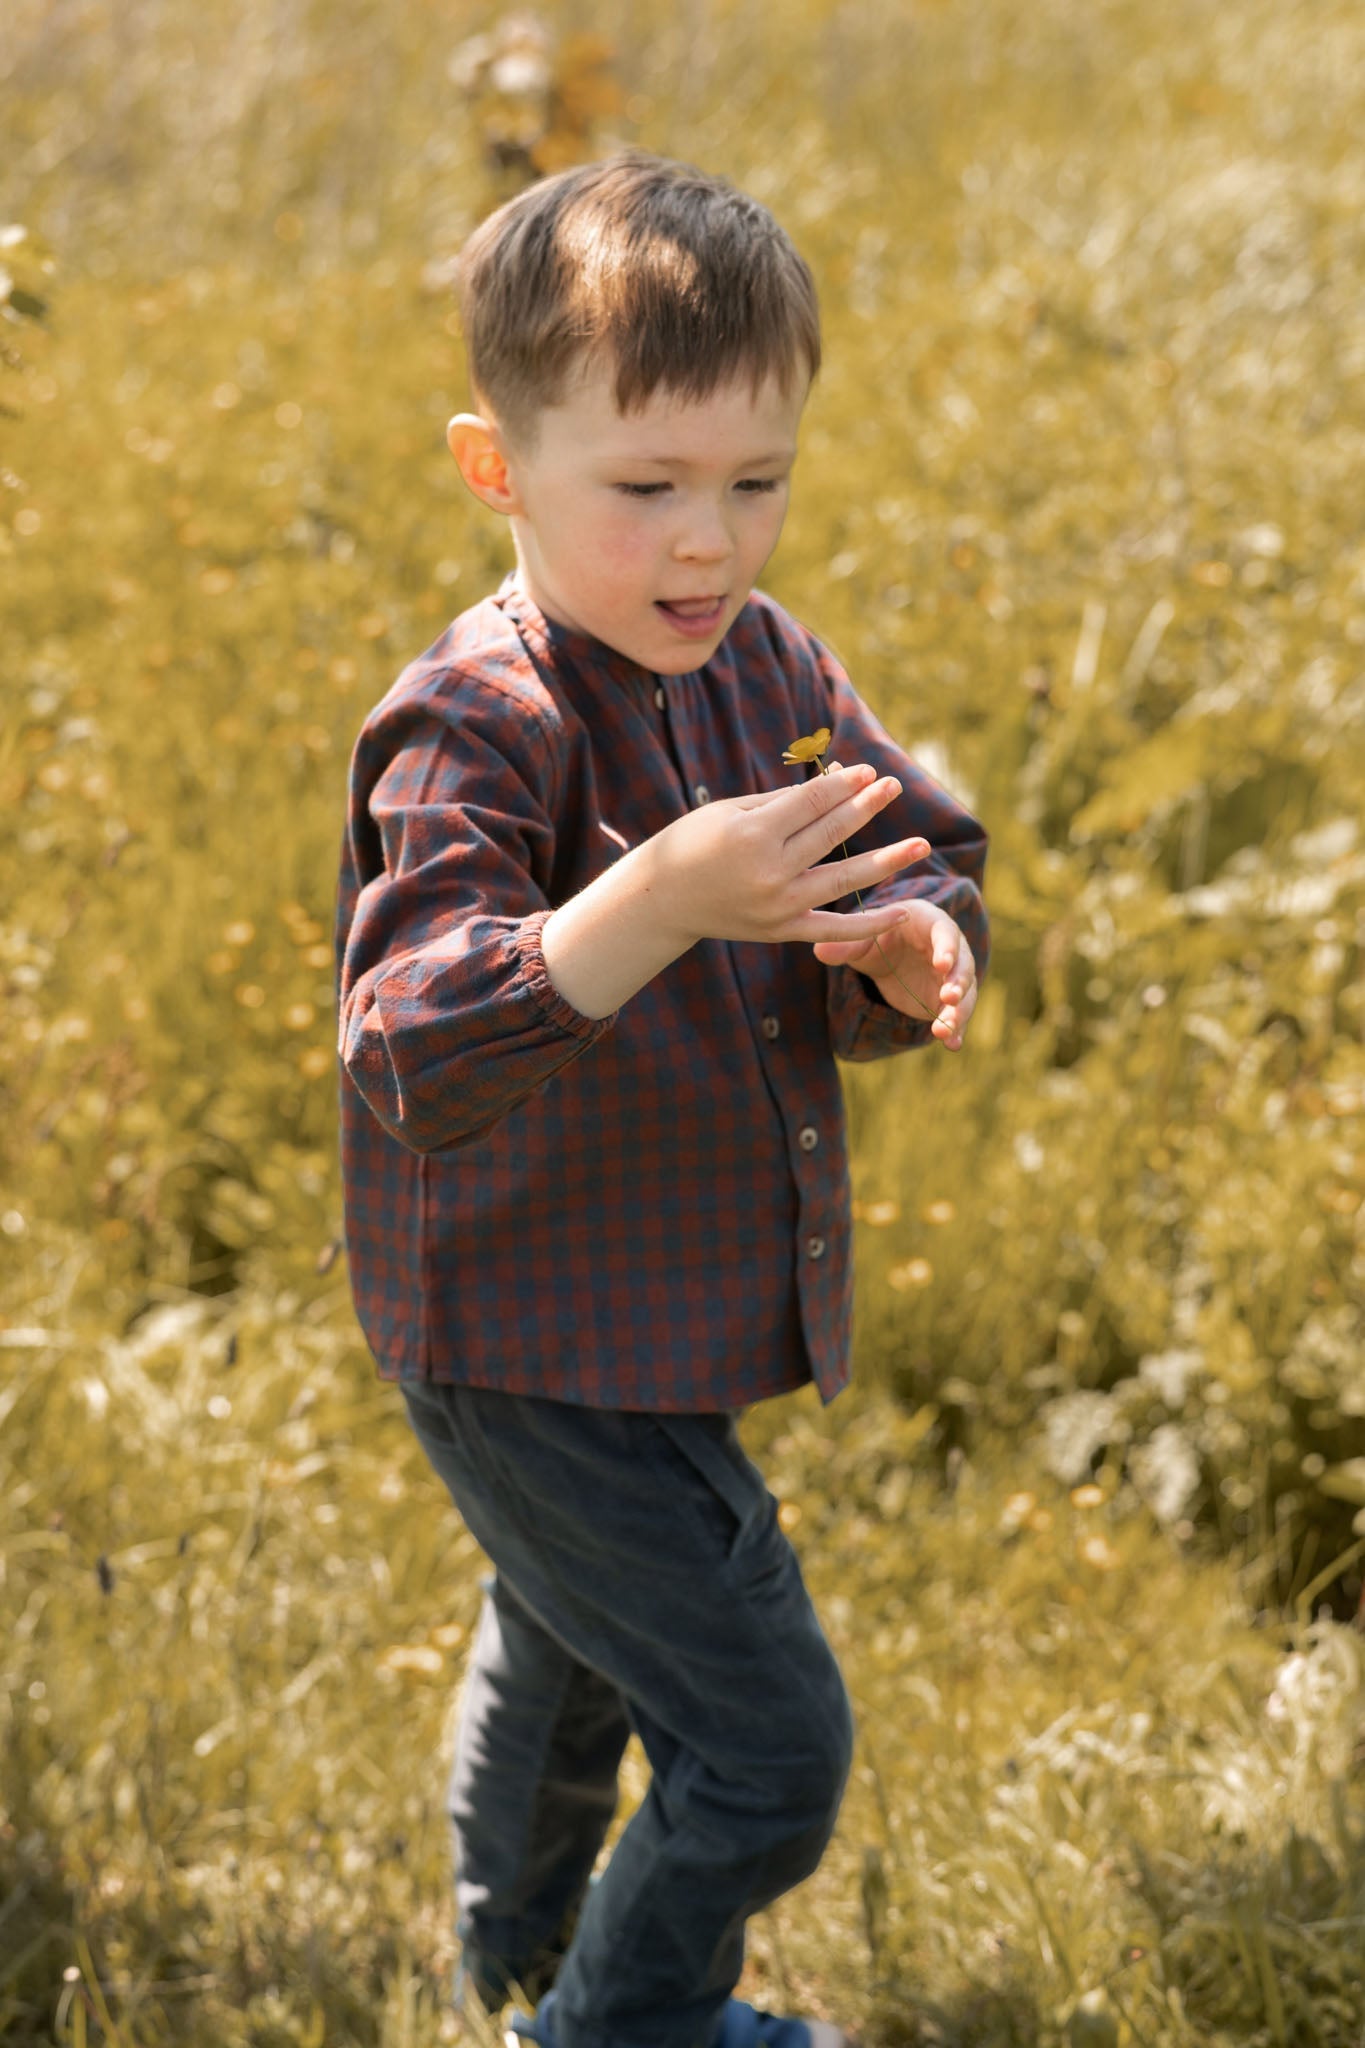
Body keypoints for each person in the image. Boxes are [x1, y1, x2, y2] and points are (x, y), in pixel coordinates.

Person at [335, 150, 989, 2048]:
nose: (708, 544)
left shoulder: (763, 664)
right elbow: (408, 1039)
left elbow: (914, 847)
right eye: (646, 489)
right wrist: (650, 899)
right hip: (523, 1325)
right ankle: (619, 2028)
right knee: (771, 1746)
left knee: (570, 1661)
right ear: (498, 469)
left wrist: (912, 943)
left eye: (755, 481)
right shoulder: (480, 719)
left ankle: (522, 1958)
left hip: (658, 1307)